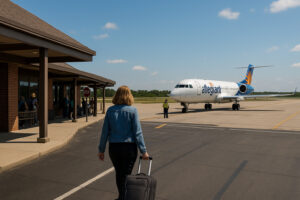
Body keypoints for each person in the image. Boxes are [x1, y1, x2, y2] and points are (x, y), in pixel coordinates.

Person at [98, 86, 149, 200]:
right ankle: (124, 197)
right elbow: (138, 132)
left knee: (119, 173)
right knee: (127, 174)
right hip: (129, 148)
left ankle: (122, 196)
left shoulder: (110, 110)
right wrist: (144, 151)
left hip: (114, 148)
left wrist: (101, 150)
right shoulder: (132, 110)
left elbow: (105, 132)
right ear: (129, 95)